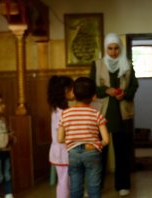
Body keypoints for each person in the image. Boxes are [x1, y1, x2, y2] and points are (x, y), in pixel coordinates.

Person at [90, 33, 138, 196]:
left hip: (122, 113)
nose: (113, 52)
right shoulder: (97, 65)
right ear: (105, 48)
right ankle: (98, 185)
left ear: (120, 48)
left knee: (122, 151)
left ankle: (123, 184)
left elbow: (134, 86)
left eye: (116, 48)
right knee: (100, 152)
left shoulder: (127, 64)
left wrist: (124, 93)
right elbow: (91, 87)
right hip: (102, 113)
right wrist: (106, 90)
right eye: (110, 48)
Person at [57, 77, 110, 198]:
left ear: (73, 94)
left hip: (73, 154)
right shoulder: (96, 113)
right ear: (93, 96)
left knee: (75, 188)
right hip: (92, 151)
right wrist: (96, 144)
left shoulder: (65, 114)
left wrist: (73, 140)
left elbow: (60, 139)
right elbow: (106, 140)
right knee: (94, 187)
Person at [47, 76, 74, 198]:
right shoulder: (63, 112)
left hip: (60, 151)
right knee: (64, 182)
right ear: (64, 91)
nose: (74, 91)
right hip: (63, 151)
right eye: (71, 89)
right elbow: (61, 136)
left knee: (64, 181)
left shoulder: (58, 109)